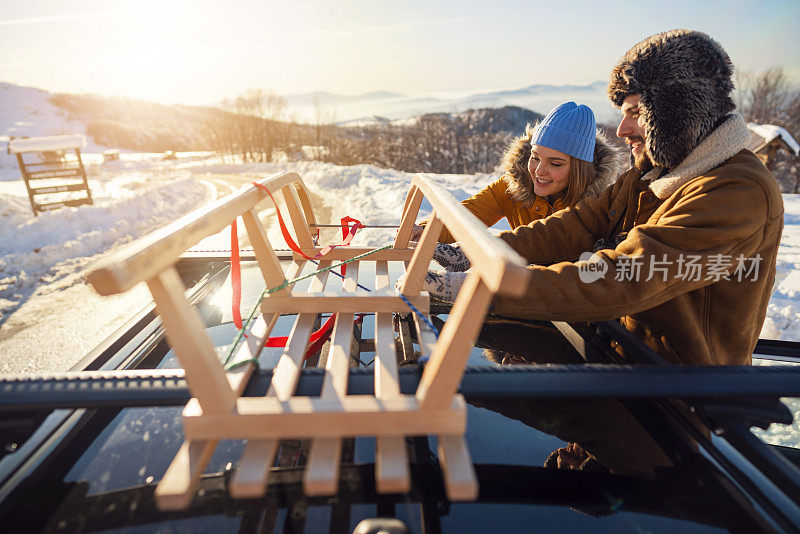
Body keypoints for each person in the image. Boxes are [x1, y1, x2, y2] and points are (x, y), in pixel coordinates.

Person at [421, 29, 783, 368]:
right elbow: (578, 225)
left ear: (677, 111)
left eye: (635, 113)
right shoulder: (650, 174)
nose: (623, 129)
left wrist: (487, 287)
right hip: (616, 350)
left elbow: (625, 276)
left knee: (480, 390)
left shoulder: (735, 191)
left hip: (675, 392)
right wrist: (474, 252)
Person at [409, 101, 622, 263]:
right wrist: (427, 231)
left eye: (555, 164)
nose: (539, 171)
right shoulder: (514, 185)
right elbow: (467, 216)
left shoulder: (599, 205)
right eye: (535, 157)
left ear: (580, 170)